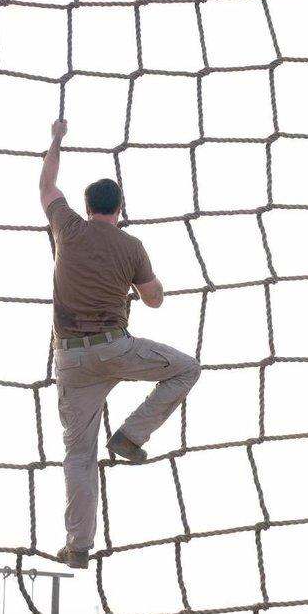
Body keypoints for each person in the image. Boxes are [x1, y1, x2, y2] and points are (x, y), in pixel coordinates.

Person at [39, 118, 201, 569]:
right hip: (116, 349)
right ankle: (131, 435)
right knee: (186, 368)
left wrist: (56, 140)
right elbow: (154, 301)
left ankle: (77, 547)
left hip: (71, 360)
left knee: (78, 455)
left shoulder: (66, 227)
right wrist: (142, 283)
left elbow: (47, 184)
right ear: (120, 207)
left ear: (87, 205)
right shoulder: (132, 246)